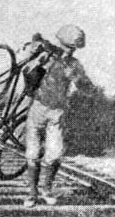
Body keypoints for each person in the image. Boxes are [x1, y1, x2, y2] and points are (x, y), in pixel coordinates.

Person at [22, 24, 95, 207]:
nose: (68, 51)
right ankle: (32, 193)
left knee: (54, 154)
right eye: (66, 47)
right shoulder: (46, 54)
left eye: (72, 49)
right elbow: (26, 68)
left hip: (57, 112)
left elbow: (88, 88)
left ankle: (46, 189)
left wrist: (76, 79)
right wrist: (35, 59)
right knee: (32, 152)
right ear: (60, 42)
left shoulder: (74, 65)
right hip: (38, 106)